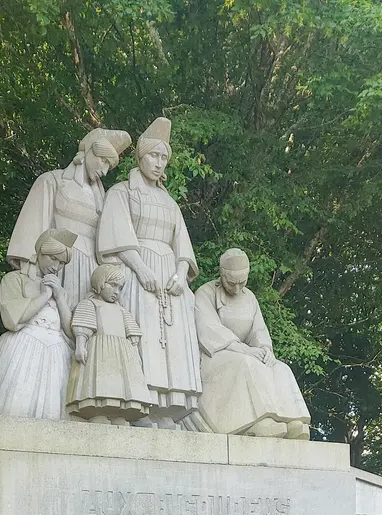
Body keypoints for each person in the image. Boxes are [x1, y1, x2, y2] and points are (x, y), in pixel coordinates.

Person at [96, 117, 202, 427]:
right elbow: (116, 235)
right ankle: (139, 405)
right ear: (141, 156)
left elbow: (182, 245)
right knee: (143, 340)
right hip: (136, 272)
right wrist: (141, 269)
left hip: (169, 278)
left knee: (171, 346)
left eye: (163, 157)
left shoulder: (170, 202)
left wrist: (181, 273)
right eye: (153, 155)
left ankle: (166, 409)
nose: (158, 163)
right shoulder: (122, 192)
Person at [0, 229, 77, 425]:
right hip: (23, 345)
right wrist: (45, 295)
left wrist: (59, 298)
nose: (56, 266)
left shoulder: (62, 292)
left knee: (54, 411)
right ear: (40, 253)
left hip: (57, 353)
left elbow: (71, 332)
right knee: (15, 405)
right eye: (53, 258)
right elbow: (12, 320)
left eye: (62, 263)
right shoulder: (14, 279)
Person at [191, 248, 311, 438]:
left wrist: (265, 349)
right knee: (245, 364)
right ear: (222, 274)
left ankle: (291, 420)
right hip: (215, 356)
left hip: (246, 353)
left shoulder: (250, 298)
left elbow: (258, 330)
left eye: (242, 282)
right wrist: (242, 349)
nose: (237, 288)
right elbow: (208, 329)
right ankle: (257, 421)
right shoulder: (205, 293)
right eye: (231, 283)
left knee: (280, 368)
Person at [7, 129, 131, 307]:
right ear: (90, 150)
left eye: (109, 166)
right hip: (59, 265)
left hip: (92, 271)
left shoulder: (103, 199)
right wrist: (32, 270)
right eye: (103, 160)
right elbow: (31, 234)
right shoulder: (52, 181)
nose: (104, 171)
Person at [66, 263, 151, 424]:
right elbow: (83, 326)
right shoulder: (89, 304)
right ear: (99, 283)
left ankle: (118, 414)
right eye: (112, 285)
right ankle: (98, 413)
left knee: (121, 386)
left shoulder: (122, 310)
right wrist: (80, 345)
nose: (116, 291)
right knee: (100, 384)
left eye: (120, 288)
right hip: (99, 353)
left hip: (122, 354)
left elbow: (132, 334)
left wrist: (135, 353)